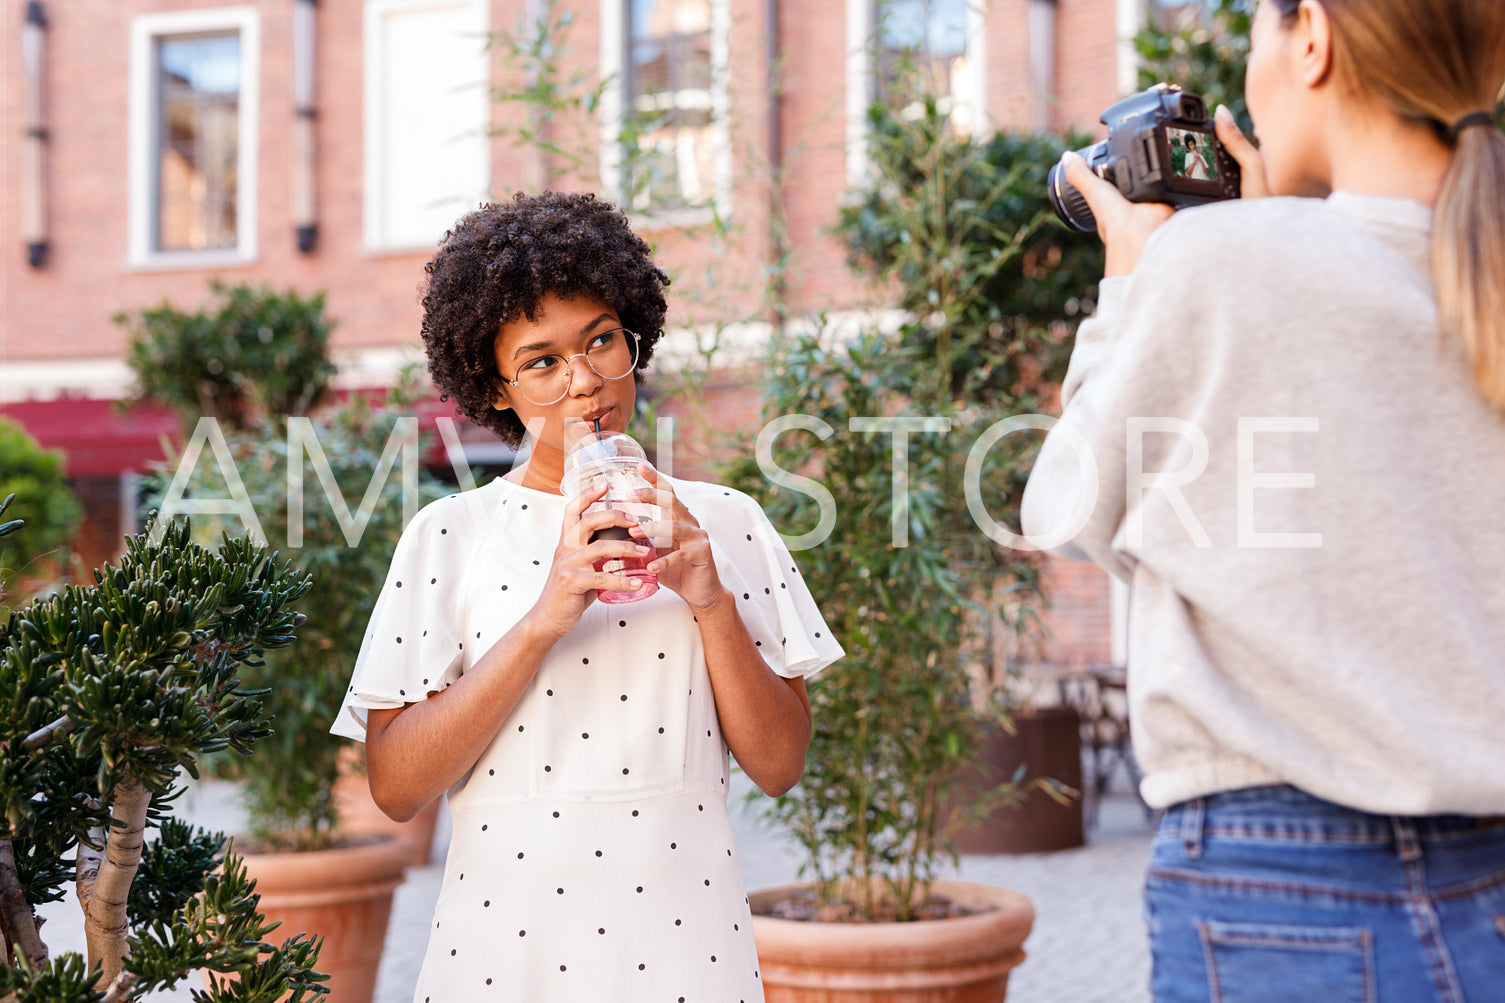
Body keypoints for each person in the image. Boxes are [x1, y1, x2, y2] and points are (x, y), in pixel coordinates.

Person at [1020, 1, 1505, 1000]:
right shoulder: (1474, 266)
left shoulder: (1226, 263)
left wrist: (1133, 278)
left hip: (1282, 881)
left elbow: (1063, 509)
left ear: (1313, 38)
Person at [331, 191, 843, 1002]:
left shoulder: (726, 521)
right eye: (540, 361)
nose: (585, 383)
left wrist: (710, 600)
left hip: (689, 957)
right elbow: (394, 787)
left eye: (602, 341)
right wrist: (542, 620)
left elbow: (779, 766)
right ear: (494, 388)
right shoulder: (450, 535)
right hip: (501, 960)